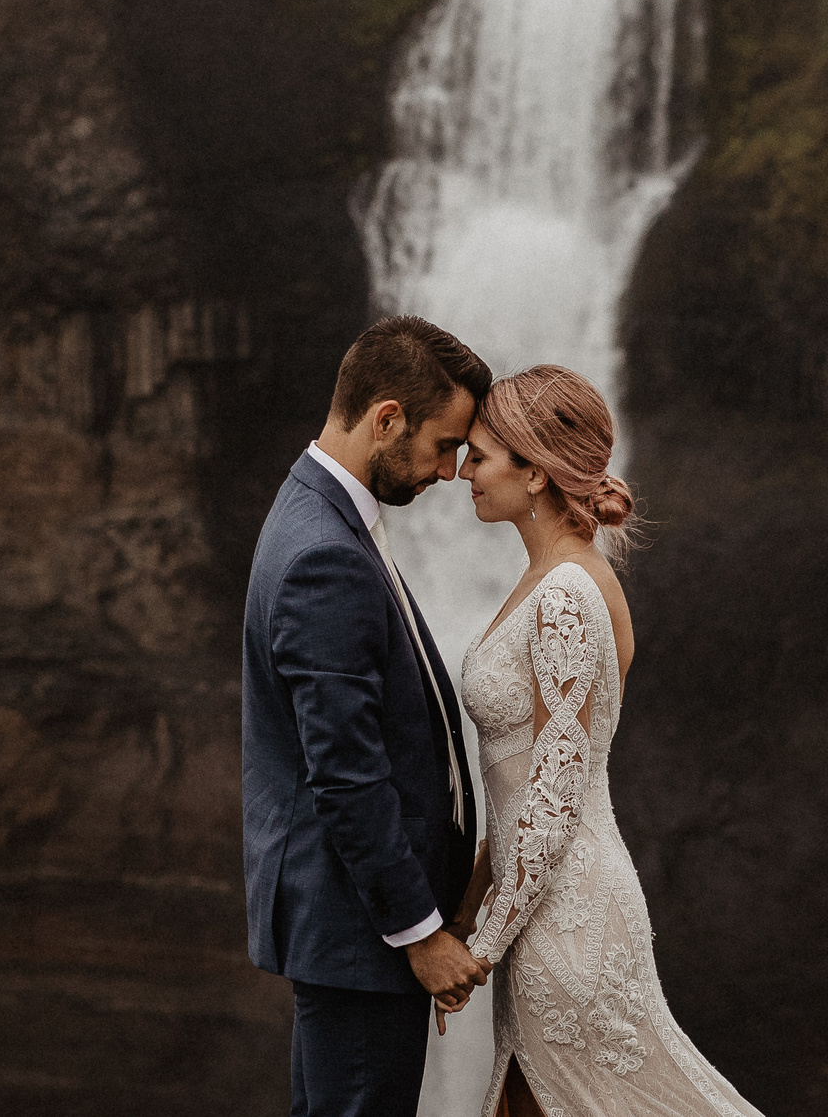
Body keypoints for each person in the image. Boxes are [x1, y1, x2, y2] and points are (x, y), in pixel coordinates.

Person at [447, 364, 765, 1117]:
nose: (464, 471)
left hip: (568, 921)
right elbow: (520, 786)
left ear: (534, 473)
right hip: (545, 913)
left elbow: (553, 796)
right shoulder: (550, 577)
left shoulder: (564, 594)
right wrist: (465, 913)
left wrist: (479, 947)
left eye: (482, 455)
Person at [243, 314, 495, 1117]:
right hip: (362, 932)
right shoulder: (325, 550)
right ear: (387, 418)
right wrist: (420, 933)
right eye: (444, 444)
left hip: (346, 926)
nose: (453, 471)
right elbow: (346, 771)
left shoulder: (320, 511)